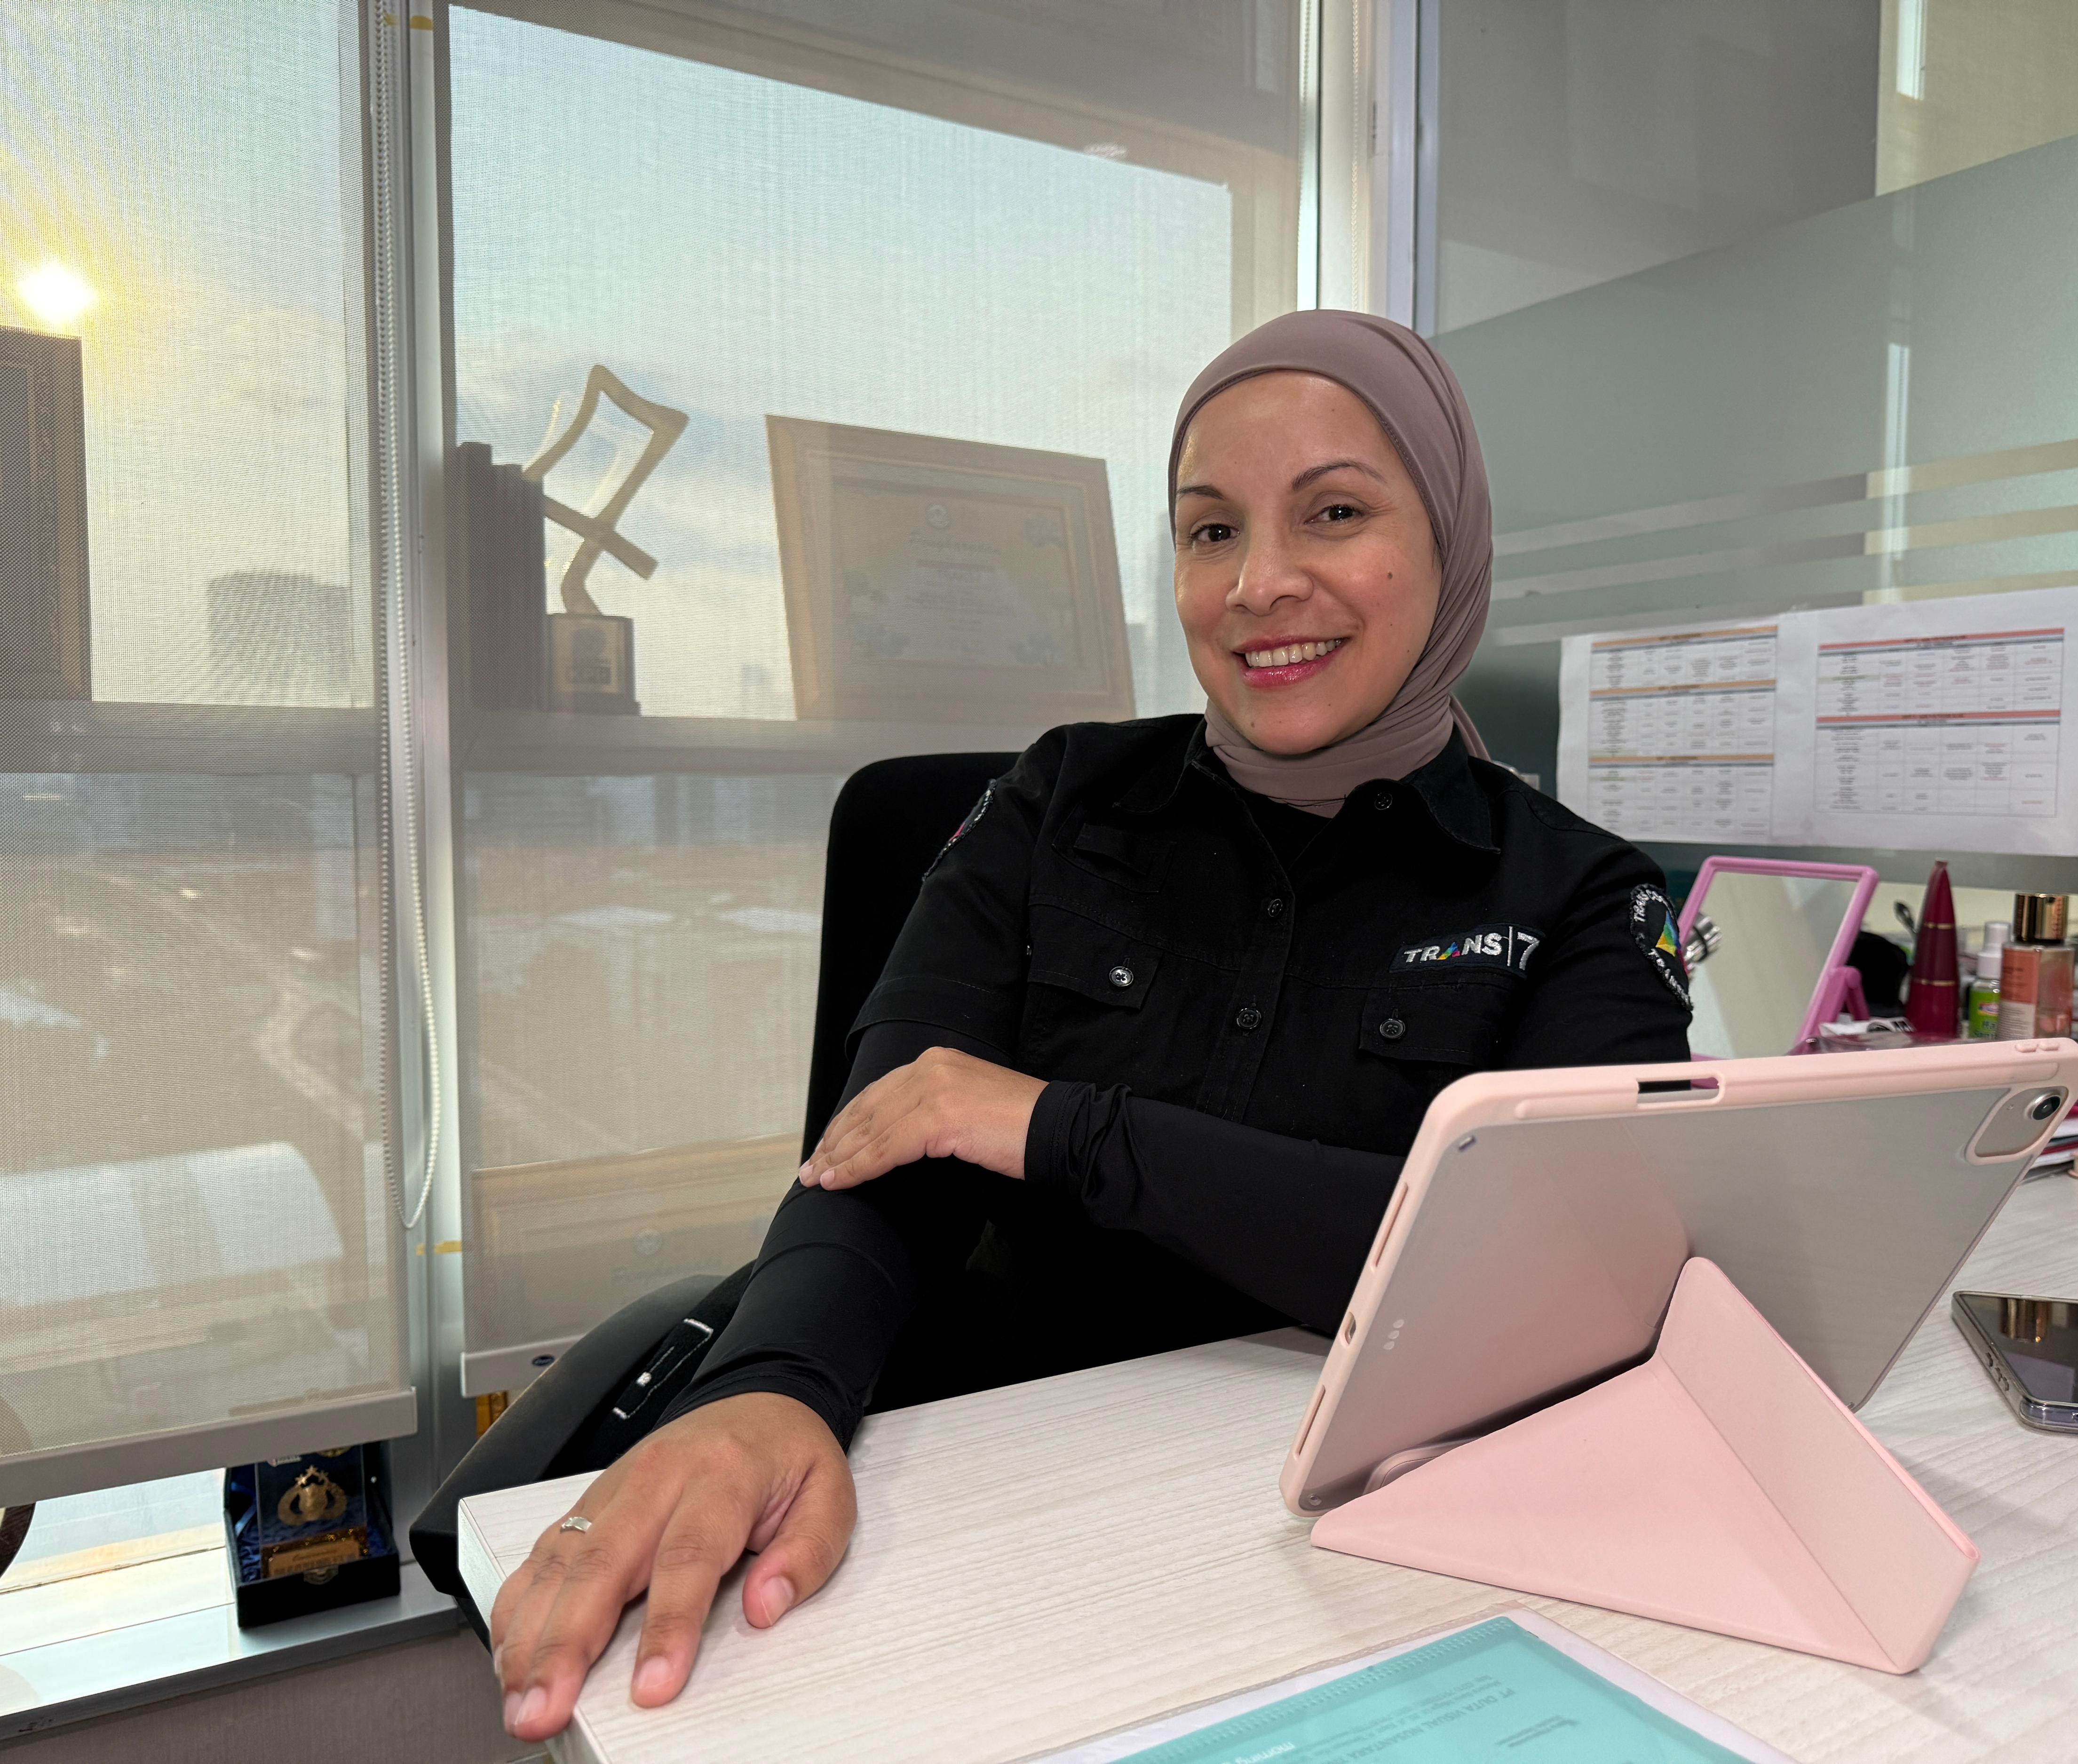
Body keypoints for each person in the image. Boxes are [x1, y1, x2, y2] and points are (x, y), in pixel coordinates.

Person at [490, 311, 1693, 1744]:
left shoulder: (1581, 891)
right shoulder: (1058, 800)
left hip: (1372, 1544)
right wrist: (771, 1387)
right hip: (1004, 1498)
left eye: (1336, 513)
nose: (1258, 585)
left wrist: (1057, 1126)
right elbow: (886, 1145)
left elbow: (1540, 1278)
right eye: (1207, 532)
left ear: (1450, 544)